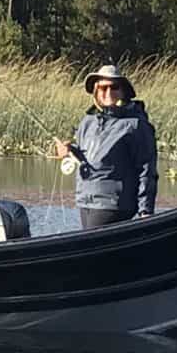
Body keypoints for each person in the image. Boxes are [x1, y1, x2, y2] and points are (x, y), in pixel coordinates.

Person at [54, 64, 158, 230]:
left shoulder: (136, 125)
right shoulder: (87, 121)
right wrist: (69, 151)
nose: (108, 93)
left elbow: (147, 170)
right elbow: (86, 156)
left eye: (114, 87)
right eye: (103, 88)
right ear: (96, 91)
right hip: (85, 200)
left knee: (90, 249)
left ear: (123, 90)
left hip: (114, 204)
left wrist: (146, 211)